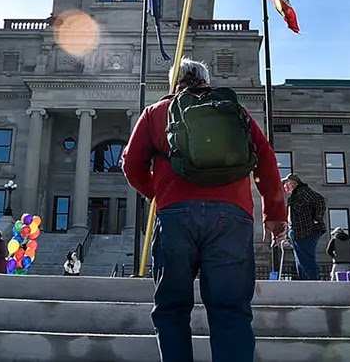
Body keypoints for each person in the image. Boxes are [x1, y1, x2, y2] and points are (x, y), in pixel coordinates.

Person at [123, 58, 287, 362]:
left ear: (175, 83)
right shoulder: (236, 111)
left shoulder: (155, 113)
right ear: (205, 80)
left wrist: (156, 193)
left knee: (172, 307)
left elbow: (131, 164)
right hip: (233, 215)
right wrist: (275, 213)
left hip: (176, 215)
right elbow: (265, 159)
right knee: (231, 309)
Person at [281, 173, 327, 280]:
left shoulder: (303, 192)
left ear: (293, 183)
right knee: (301, 261)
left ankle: (311, 284)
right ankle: (305, 283)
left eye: (286, 183)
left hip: (307, 231)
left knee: (306, 260)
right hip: (298, 232)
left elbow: (320, 201)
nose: (284, 186)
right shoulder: (295, 196)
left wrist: (316, 219)